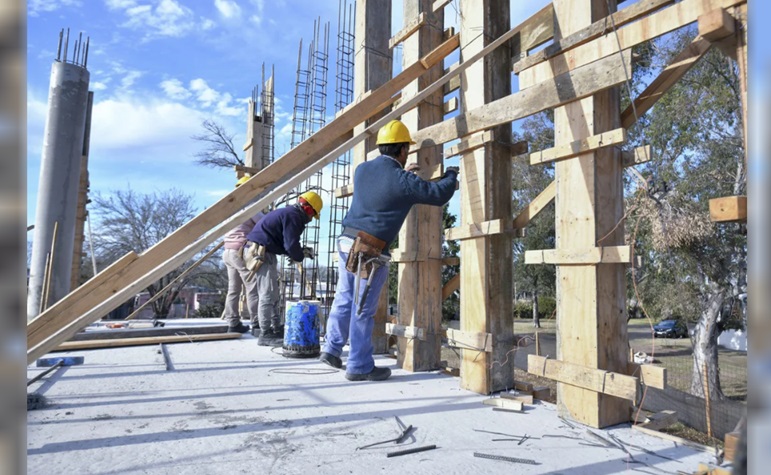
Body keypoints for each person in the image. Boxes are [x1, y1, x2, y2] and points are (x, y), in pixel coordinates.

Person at [319, 119, 459, 381]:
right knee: (362, 308)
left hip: (346, 242)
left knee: (345, 298)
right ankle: (359, 366)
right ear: (403, 150)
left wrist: (407, 175)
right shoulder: (402, 180)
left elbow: (386, 185)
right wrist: (451, 174)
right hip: (367, 252)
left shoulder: (362, 170)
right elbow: (438, 194)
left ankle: (331, 350)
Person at [244, 191, 322, 346]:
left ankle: (275, 327)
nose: (311, 219)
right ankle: (265, 333)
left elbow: (286, 241)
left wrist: (297, 251)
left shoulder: (289, 213)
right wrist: (298, 255)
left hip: (264, 251)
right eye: (313, 215)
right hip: (261, 253)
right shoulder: (294, 217)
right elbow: (291, 244)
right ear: (308, 209)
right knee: (267, 293)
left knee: (273, 292)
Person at [221, 175, 266, 334]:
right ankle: (256, 324)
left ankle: (233, 323)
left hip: (227, 251)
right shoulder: (249, 207)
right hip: (240, 251)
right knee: (252, 287)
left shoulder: (231, 207)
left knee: (233, 289)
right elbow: (264, 221)